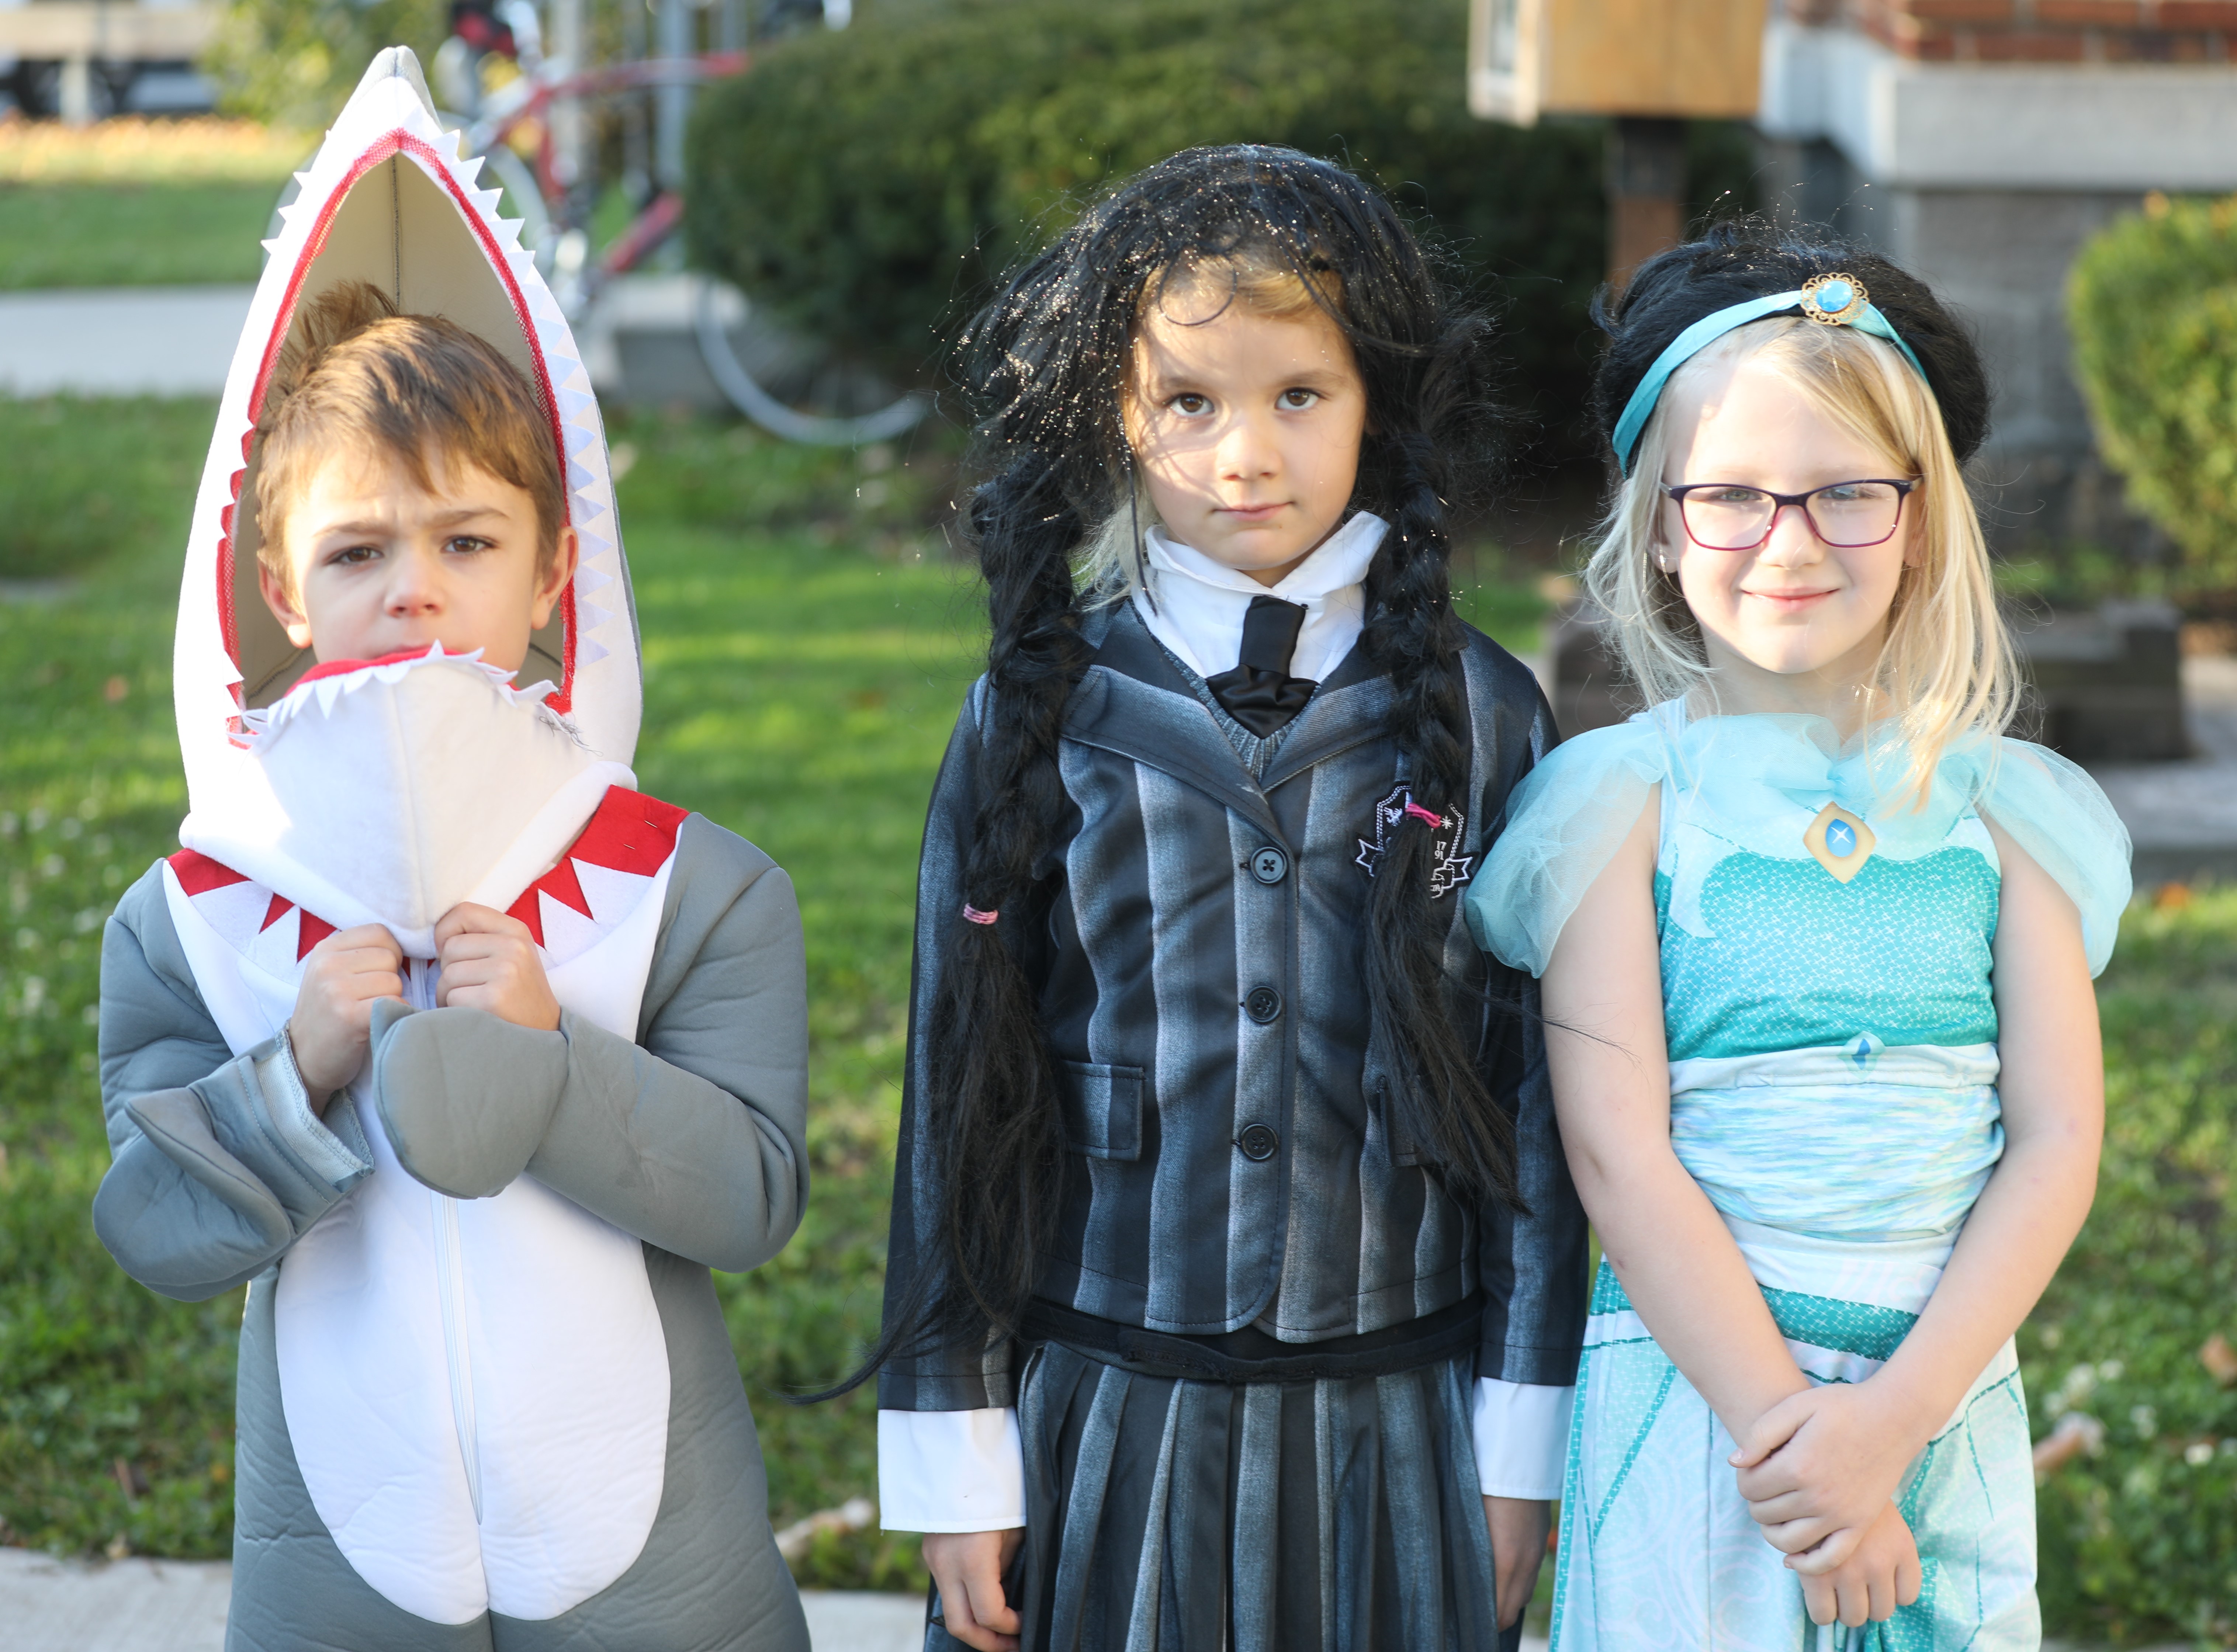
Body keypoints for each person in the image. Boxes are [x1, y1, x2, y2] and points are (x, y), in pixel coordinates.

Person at [92, 51, 810, 1652]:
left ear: (557, 565)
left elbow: (755, 1195)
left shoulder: (691, 886)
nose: (412, 591)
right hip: (342, 1552)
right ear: (277, 589)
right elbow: (151, 1224)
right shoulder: (191, 919)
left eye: (467, 542)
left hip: (654, 1560)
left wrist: (554, 1064)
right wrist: (297, 1073)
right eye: (356, 551)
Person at [865, 145, 1589, 1652]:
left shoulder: (1481, 711)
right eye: (1189, 403)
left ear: (1374, 400)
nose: (1243, 456)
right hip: (1111, 1421)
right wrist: (954, 1445)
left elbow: (1535, 1100)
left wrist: (1520, 1445)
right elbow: (958, 1081)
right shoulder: (1037, 712)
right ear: (1116, 413)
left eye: (1296, 398)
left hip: (1397, 1429)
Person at [1468, 223, 2132, 1648]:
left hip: (1935, 1397)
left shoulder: (2010, 815)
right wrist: (1796, 1442)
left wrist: (1884, 1430)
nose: (1789, 542)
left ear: (1922, 518)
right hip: (1712, 1406)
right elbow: (1615, 1155)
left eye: (1846, 495)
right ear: (1659, 521)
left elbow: (2059, 1140)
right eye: (1733, 498)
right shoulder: (1619, 807)